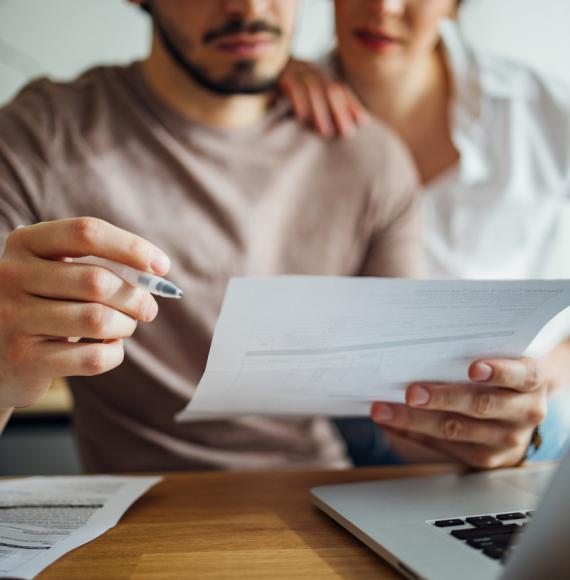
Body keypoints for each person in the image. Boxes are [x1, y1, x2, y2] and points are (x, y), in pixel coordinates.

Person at [0, 0, 422, 472]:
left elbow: (408, 418)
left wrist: (498, 442)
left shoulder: (368, 155)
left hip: (322, 500)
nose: (250, 7)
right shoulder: (39, 138)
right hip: (144, 519)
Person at [281, 0, 570, 468]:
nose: (383, 8)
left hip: (516, 419)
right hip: (334, 425)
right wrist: (254, 83)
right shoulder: (272, 105)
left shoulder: (544, 114)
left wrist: (552, 370)